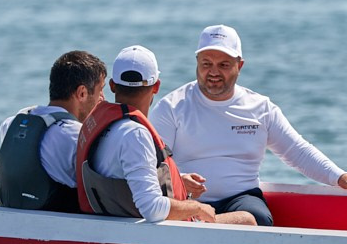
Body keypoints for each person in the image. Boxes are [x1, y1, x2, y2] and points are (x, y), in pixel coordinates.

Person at [152, 24, 347, 227]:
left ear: (240, 65)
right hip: (187, 200)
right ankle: (200, 220)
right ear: (197, 63)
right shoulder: (171, 107)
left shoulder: (261, 108)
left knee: (256, 218)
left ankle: (201, 225)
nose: (213, 72)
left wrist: (338, 176)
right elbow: (152, 164)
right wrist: (179, 179)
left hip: (240, 199)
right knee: (243, 221)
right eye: (206, 64)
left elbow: (296, 150)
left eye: (224, 65)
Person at [75, 45, 255, 225]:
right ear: (156, 87)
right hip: (152, 234)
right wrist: (198, 208)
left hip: (113, 221)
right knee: (247, 219)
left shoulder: (101, 126)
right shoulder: (135, 135)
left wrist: (179, 180)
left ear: (113, 86)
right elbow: (151, 208)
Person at [0, 50, 107, 213]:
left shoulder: (11, 124)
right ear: (82, 93)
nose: (102, 98)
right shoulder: (76, 136)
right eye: (100, 90)